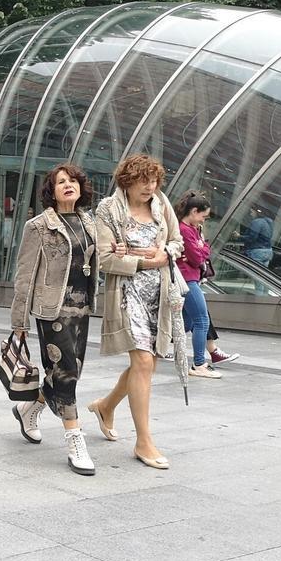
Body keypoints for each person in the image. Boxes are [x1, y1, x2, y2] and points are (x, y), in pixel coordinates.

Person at [90, 154, 183, 470]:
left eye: (154, 181)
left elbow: (177, 241)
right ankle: (144, 441)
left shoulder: (161, 204)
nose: (150, 187)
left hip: (159, 294)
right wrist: (143, 261)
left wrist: (164, 252)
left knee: (147, 364)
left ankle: (106, 406)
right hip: (127, 295)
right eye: (143, 181)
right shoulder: (109, 209)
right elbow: (105, 259)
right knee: (143, 362)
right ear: (127, 181)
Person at [9, 164, 98, 476]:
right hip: (53, 311)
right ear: (52, 190)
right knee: (66, 374)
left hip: (82, 309)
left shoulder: (89, 222)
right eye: (61, 182)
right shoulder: (38, 226)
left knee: (68, 373)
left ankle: (29, 408)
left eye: (73, 180)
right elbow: (24, 275)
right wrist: (19, 323)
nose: (68, 185)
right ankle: (75, 440)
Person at [174, 190, 223, 380]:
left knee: (187, 322)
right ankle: (199, 363)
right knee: (202, 320)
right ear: (194, 211)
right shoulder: (185, 230)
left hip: (189, 278)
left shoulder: (192, 229)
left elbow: (203, 252)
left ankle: (153, 346)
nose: (204, 220)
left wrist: (201, 249)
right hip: (187, 280)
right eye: (203, 216)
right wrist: (201, 249)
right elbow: (197, 258)